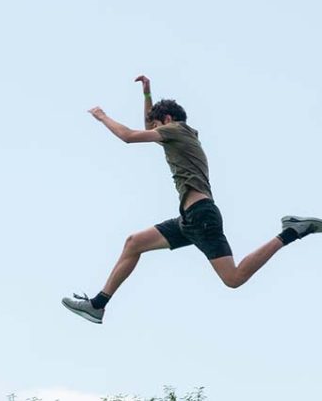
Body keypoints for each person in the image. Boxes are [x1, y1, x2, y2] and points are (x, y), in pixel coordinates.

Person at [62, 75, 322, 324]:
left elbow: (130, 136)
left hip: (201, 216)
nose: (153, 131)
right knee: (134, 243)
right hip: (189, 219)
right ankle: (98, 305)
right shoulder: (177, 133)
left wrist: (102, 116)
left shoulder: (176, 130)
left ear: (167, 120)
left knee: (233, 278)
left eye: (157, 124)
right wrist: (147, 94)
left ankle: (291, 231)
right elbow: (148, 128)